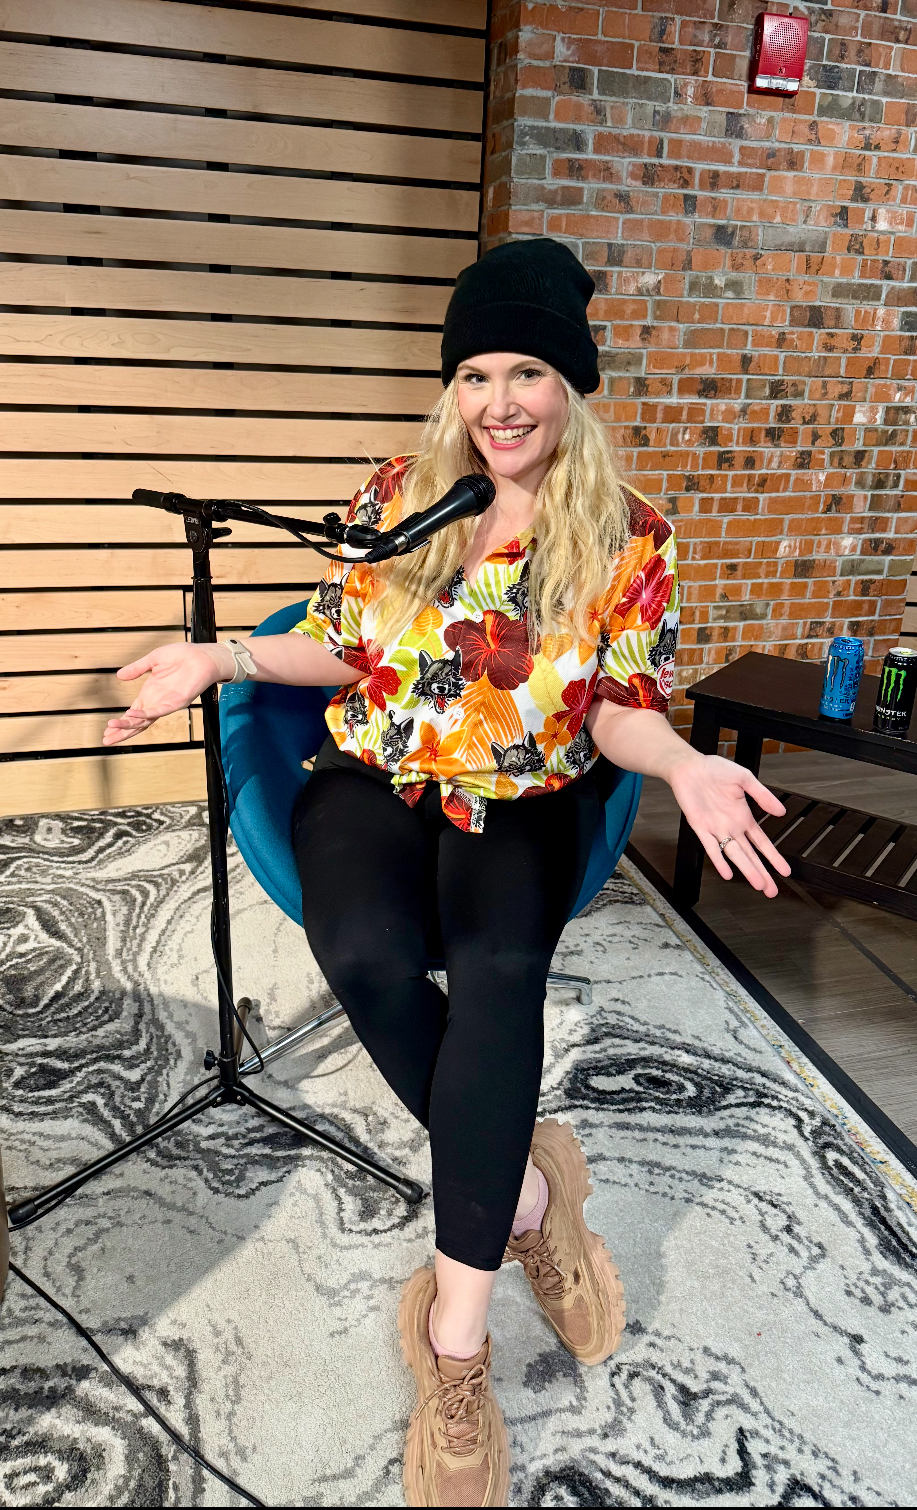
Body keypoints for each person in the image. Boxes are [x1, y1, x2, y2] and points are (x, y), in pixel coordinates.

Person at [103, 238, 791, 1508]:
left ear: (568, 383)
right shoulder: (400, 492)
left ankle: (454, 1341)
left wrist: (682, 761)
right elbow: (339, 641)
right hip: (371, 774)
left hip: (522, 796)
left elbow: (615, 709)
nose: (497, 402)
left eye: (525, 371)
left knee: (497, 970)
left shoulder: (629, 534)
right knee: (363, 953)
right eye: (474, 374)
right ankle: (528, 1194)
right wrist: (221, 659)